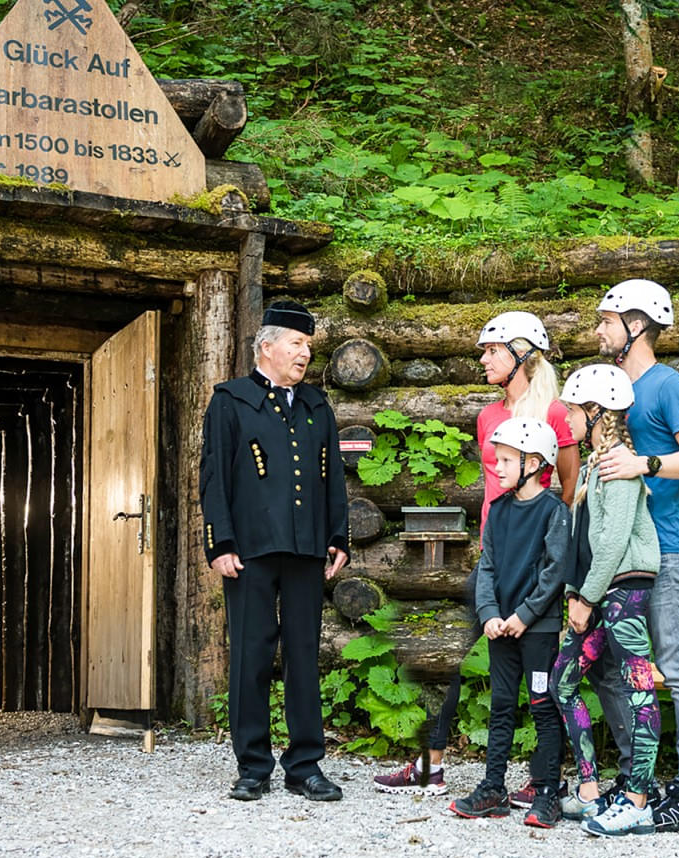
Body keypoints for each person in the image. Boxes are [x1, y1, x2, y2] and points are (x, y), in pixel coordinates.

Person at [373, 311, 577, 804]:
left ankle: (543, 778)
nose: (483, 359)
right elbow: (492, 493)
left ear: (522, 354)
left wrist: (549, 566)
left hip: (540, 565)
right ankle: (432, 764)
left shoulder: (554, 412)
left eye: (492, 350)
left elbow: (568, 488)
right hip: (494, 558)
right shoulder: (489, 416)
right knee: (450, 658)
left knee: (541, 675)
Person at [200, 300, 350, 803]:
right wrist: (219, 543)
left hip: (307, 549)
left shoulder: (316, 406)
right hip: (250, 553)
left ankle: (304, 766)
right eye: (296, 343)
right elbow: (214, 478)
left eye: (308, 345)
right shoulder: (230, 401)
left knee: (304, 656)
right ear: (267, 346)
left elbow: (332, 479)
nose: (305, 353)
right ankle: (253, 765)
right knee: (251, 656)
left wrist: (338, 536)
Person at [592, 279, 679, 833]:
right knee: (612, 667)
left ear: (635, 325)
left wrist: (645, 464)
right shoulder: (612, 385)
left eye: (606, 320)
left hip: (667, 548)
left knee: (676, 666)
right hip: (625, 550)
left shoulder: (669, 387)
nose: (597, 330)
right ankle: (639, 777)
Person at [551, 364, 662, 838]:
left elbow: (615, 541)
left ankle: (639, 798)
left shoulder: (617, 465)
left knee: (640, 688)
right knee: (564, 678)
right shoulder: (598, 463)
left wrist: (585, 599)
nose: (569, 421)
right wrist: (581, 594)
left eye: (574, 411)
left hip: (627, 592)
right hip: (603, 594)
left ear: (596, 412)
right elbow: (590, 543)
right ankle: (592, 787)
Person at [448, 418, 570, 828]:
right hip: (501, 628)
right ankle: (493, 788)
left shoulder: (554, 512)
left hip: (537, 630)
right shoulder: (497, 512)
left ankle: (548, 791)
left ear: (534, 463)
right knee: (501, 705)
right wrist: (490, 615)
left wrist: (525, 615)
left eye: (504, 460)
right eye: (495, 459)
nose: (495, 468)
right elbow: (487, 567)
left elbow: (555, 572)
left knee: (542, 704)